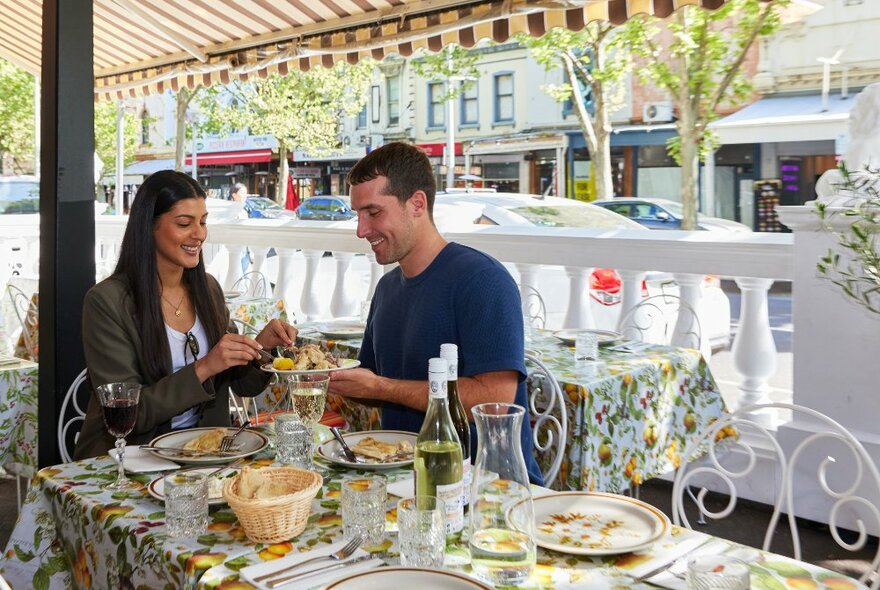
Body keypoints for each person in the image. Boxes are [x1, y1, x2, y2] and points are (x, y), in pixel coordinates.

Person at [327, 142, 543, 484]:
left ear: (417, 204)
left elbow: (495, 399)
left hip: (486, 488)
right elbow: (370, 382)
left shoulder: (482, 280)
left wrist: (383, 388)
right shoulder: (387, 289)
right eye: (357, 215)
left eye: (373, 212)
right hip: (404, 481)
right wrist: (317, 375)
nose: (361, 230)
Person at [74, 170, 297, 459]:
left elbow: (243, 384)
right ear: (148, 227)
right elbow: (131, 414)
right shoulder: (107, 302)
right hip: (129, 459)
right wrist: (205, 367)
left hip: (207, 454)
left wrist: (262, 347)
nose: (200, 234)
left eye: (203, 222)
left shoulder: (207, 289)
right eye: (184, 223)